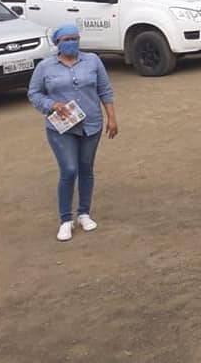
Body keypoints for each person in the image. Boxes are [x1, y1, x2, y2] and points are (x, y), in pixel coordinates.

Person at [27, 24, 119, 242]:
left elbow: (105, 90)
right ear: (57, 43)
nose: (72, 42)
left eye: (75, 38)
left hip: (91, 124)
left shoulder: (93, 61)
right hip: (61, 127)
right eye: (66, 39)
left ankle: (84, 213)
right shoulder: (45, 67)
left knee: (86, 169)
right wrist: (51, 104)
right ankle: (65, 219)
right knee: (69, 170)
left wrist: (112, 117)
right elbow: (34, 93)